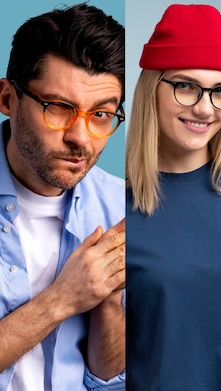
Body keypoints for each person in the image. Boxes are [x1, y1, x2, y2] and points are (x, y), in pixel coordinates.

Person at [0, 4, 125, 390]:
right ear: (7, 99)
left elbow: (110, 379)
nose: (81, 138)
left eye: (101, 114)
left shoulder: (122, 208)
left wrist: (106, 296)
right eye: (59, 108)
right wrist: (62, 300)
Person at [125, 4, 221, 390]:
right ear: (152, 89)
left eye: (220, 91)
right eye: (186, 86)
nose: (204, 108)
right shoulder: (113, 210)